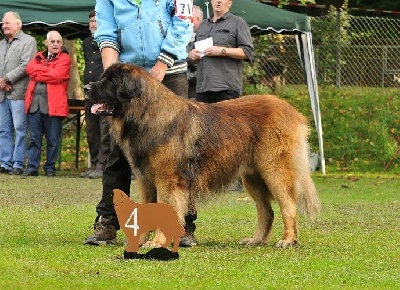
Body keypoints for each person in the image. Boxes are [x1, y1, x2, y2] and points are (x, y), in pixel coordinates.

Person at [84, 0, 197, 247]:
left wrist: (161, 65)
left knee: (180, 155)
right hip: (126, 76)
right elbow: (106, 30)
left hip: (169, 70)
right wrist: (111, 76)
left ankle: (183, 224)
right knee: (117, 152)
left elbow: (183, 22)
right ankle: (108, 219)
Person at [23, 31, 71, 177]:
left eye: (59, 41)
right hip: (34, 105)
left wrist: (40, 73)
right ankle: (32, 167)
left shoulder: (65, 58)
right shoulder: (38, 56)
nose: (56, 44)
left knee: (53, 140)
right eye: (53, 41)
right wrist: (48, 71)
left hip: (53, 105)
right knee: (34, 139)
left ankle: (50, 168)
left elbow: (57, 76)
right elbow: (29, 69)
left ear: (61, 44)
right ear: (46, 43)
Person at [188, 0, 254, 103]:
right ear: (211, 2)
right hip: (202, 88)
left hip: (226, 89)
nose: (218, 1)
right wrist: (192, 54)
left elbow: (248, 52)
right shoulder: (202, 25)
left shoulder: (238, 22)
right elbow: (193, 50)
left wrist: (222, 51)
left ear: (230, 3)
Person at [0, 12, 37, 175]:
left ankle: (18, 163)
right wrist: (2, 83)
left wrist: (6, 79)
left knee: (20, 130)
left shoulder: (29, 41)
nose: (4, 26)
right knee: (4, 130)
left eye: (7, 23)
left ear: (18, 24)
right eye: (3, 24)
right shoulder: (1, 44)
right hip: (2, 94)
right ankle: (5, 163)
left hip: (19, 93)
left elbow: (26, 66)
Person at [80, 10, 110, 179]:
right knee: (92, 129)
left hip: (103, 91)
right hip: (89, 91)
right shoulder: (85, 42)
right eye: (91, 21)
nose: (93, 24)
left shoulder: (107, 40)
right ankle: (94, 164)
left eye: (96, 21)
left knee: (104, 128)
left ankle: (102, 165)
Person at [187, 5, 204, 99]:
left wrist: (189, 56)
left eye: (188, 17)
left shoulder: (204, 35)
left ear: (197, 18)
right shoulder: (185, 33)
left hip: (197, 86)